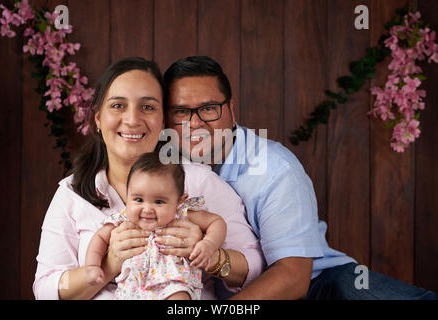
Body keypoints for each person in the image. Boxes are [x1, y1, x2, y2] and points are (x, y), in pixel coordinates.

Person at [163, 55, 438, 300]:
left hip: (318, 283)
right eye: (181, 111)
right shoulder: (165, 166)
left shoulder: (274, 167)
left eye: (209, 108)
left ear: (231, 110)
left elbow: (293, 276)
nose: (195, 122)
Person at [33, 57, 265, 300]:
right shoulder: (72, 193)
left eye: (148, 107)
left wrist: (212, 255)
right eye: (118, 106)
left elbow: (254, 266)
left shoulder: (199, 182)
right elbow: (46, 290)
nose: (132, 120)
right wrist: (110, 263)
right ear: (98, 118)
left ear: (162, 121)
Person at [85, 152, 227, 300]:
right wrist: (92, 266)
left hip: (173, 283)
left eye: (159, 202)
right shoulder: (124, 219)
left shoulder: (181, 214)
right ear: (127, 196)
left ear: (179, 201)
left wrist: (209, 244)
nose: (147, 209)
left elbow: (216, 222)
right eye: (138, 199)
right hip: (133, 289)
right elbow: (100, 237)